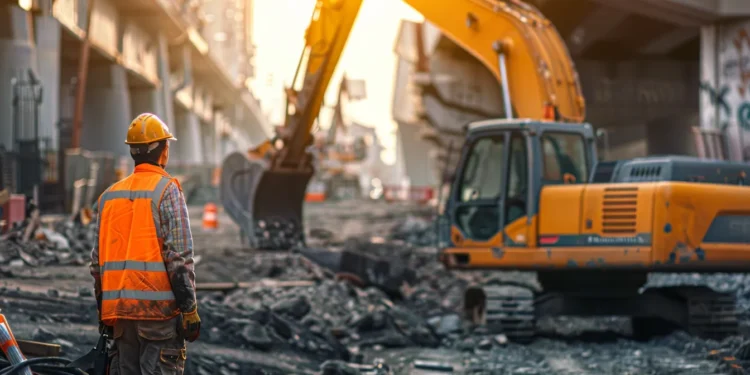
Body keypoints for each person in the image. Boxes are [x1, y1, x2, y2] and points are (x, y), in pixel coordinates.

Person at [89, 113, 200, 375]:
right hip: (158, 319)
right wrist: (189, 309)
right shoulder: (167, 189)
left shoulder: (109, 197)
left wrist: (103, 314)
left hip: (120, 318)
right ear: (163, 149)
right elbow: (179, 258)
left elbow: (97, 265)